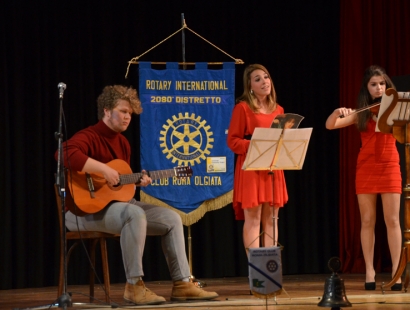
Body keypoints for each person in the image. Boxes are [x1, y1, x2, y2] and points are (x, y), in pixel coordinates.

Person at [55, 85, 218, 305]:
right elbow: (62, 153)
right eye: (123, 111)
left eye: (130, 114)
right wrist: (103, 170)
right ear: (106, 111)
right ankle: (134, 286)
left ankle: (182, 284)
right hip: (79, 212)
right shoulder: (89, 136)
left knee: (171, 218)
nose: (127, 117)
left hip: (115, 207)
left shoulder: (123, 142)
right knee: (134, 213)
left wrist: (138, 180)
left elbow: (119, 185)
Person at [325, 65, 403, 291]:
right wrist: (337, 112)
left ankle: (396, 271)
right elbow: (330, 125)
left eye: (382, 84)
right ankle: (369, 270)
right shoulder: (362, 112)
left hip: (390, 166)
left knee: (393, 221)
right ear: (366, 89)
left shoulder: (394, 109)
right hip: (366, 167)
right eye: (374, 85)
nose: (379, 88)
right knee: (367, 221)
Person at [227, 64, 288, 252]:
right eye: (258, 79)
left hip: (273, 166)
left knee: (272, 219)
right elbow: (233, 141)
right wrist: (255, 144)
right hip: (252, 166)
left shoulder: (279, 110)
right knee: (253, 218)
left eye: (266, 77)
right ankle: (256, 270)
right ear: (250, 85)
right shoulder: (243, 108)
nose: (264, 82)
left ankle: (270, 267)